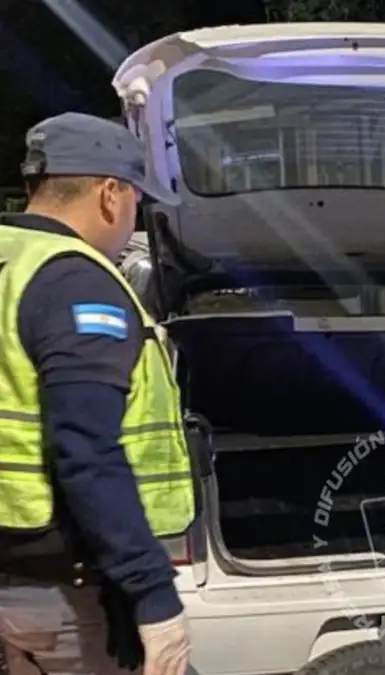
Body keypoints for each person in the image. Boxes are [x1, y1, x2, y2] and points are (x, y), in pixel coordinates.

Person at [0, 113, 197, 675]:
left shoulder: (11, 258)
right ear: (110, 194)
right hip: (71, 589)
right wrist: (151, 591)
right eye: (136, 199)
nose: (135, 216)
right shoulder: (75, 281)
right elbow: (86, 450)